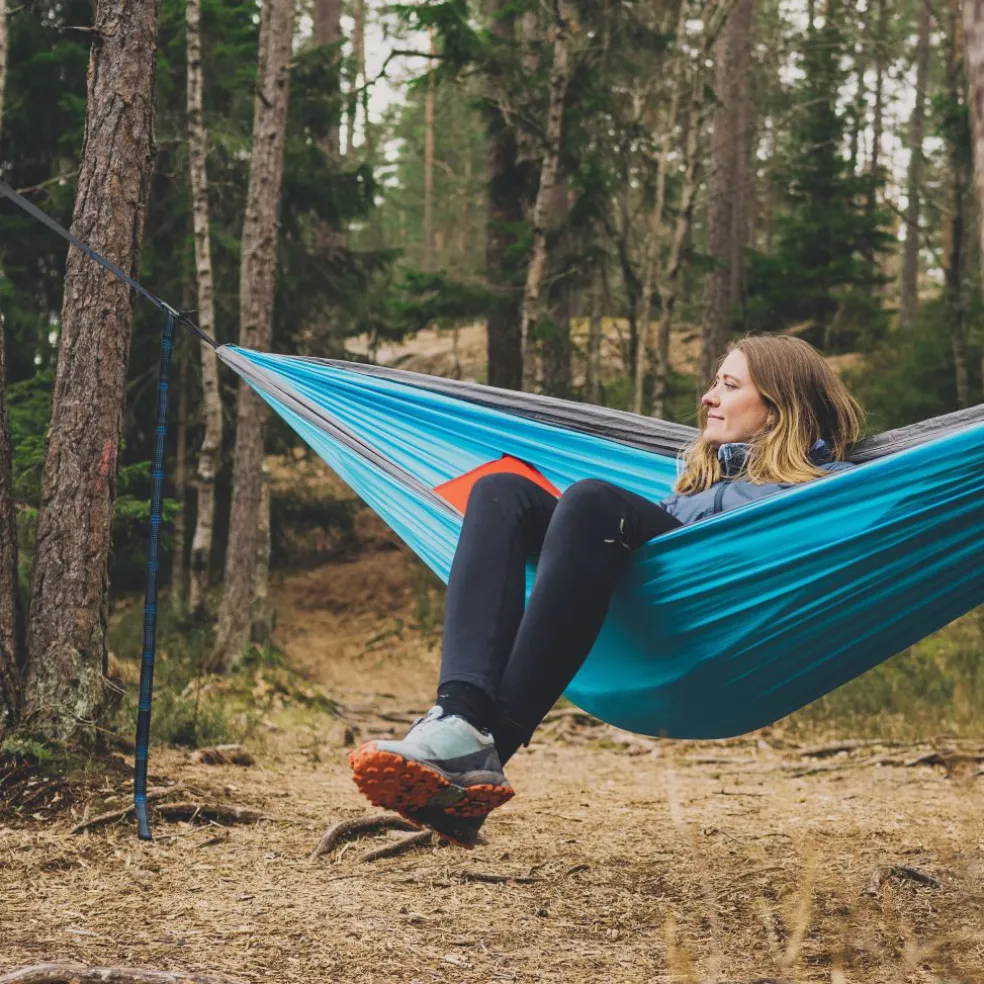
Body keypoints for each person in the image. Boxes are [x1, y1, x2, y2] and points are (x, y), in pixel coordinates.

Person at [349, 334, 865, 847]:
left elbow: (859, 531)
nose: (708, 397)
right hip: (642, 597)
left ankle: (484, 750)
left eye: (729, 386)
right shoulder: (695, 484)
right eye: (714, 383)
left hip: (716, 620)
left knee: (592, 501)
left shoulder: (826, 490)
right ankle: (458, 717)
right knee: (498, 492)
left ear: (778, 410)